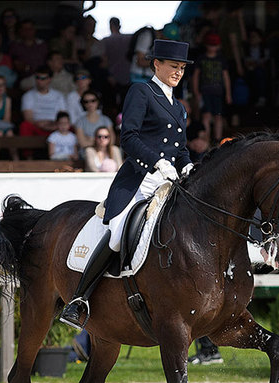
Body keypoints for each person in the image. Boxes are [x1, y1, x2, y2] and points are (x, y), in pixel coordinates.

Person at [59, 39, 195, 329]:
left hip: (171, 181)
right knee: (119, 232)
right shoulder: (141, 92)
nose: (178, 72)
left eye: (182, 67)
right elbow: (129, 137)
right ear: (156, 64)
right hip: (141, 179)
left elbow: (181, 148)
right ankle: (79, 299)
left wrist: (188, 165)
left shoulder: (179, 107)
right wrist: (157, 162)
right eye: (173, 66)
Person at [192, 32, 232, 144]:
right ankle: (207, 139)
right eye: (211, 45)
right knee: (206, 116)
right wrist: (196, 92)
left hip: (219, 92)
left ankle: (218, 140)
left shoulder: (221, 59)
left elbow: (226, 77)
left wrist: (228, 94)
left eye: (215, 45)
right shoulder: (201, 59)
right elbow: (196, 76)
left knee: (218, 116)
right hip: (204, 92)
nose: (213, 48)